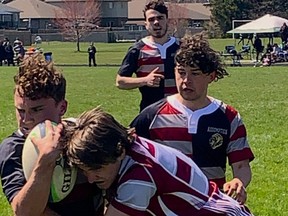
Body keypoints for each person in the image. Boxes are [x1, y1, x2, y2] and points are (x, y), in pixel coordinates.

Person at [41, 107, 253, 215]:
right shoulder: (124, 142)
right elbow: (84, 125)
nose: (89, 178)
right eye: (84, 170)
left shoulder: (139, 177)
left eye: (96, 169)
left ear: (119, 152)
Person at [130, 34, 255, 204]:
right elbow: (127, 159)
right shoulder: (151, 116)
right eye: (181, 72)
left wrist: (238, 181)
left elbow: (241, 165)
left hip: (211, 205)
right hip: (166, 207)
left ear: (211, 76)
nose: (186, 81)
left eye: (195, 74)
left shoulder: (228, 117)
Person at [0, 53, 103, 216]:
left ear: (62, 107)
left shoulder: (82, 134)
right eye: (20, 110)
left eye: (36, 109)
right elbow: (24, 211)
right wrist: (45, 161)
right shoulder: (13, 148)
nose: (26, 119)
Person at [116, 0, 180, 111]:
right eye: (151, 19)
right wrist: (145, 80)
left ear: (167, 21)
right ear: (145, 24)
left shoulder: (182, 47)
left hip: (180, 112)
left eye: (160, 18)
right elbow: (120, 81)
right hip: (150, 113)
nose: (156, 22)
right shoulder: (137, 50)